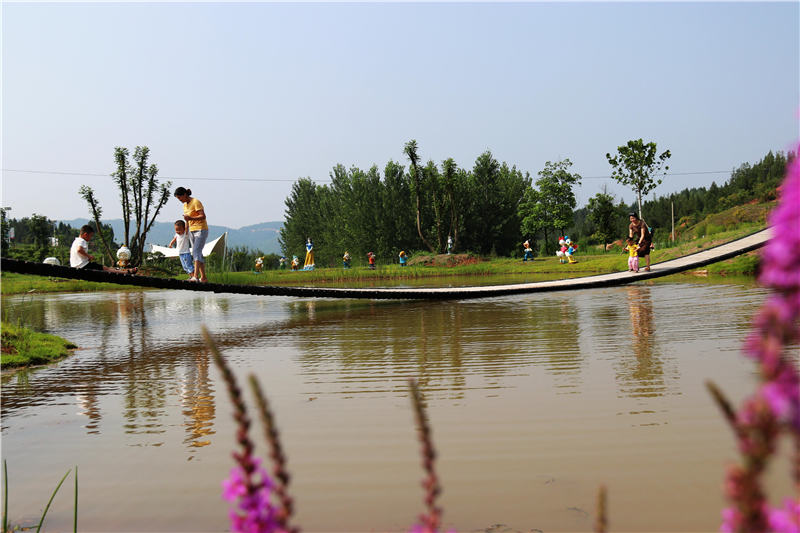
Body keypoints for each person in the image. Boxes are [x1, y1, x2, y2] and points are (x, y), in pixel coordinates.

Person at [70, 225, 137, 274]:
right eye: (90, 236)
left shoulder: (76, 241)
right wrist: (89, 256)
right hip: (82, 265)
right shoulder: (82, 241)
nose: (90, 238)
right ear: (85, 235)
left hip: (76, 265)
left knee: (105, 268)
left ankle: (126, 271)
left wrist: (87, 258)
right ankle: (127, 272)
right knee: (105, 268)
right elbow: (79, 250)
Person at [174, 187, 208, 282]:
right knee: (198, 253)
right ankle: (204, 277)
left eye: (180, 198)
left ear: (185, 194)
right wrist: (186, 229)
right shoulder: (185, 206)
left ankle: (195, 277)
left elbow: (203, 216)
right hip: (191, 230)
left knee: (195, 252)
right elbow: (187, 220)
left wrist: (191, 218)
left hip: (201, 229)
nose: (180, 200)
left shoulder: (195, 202)